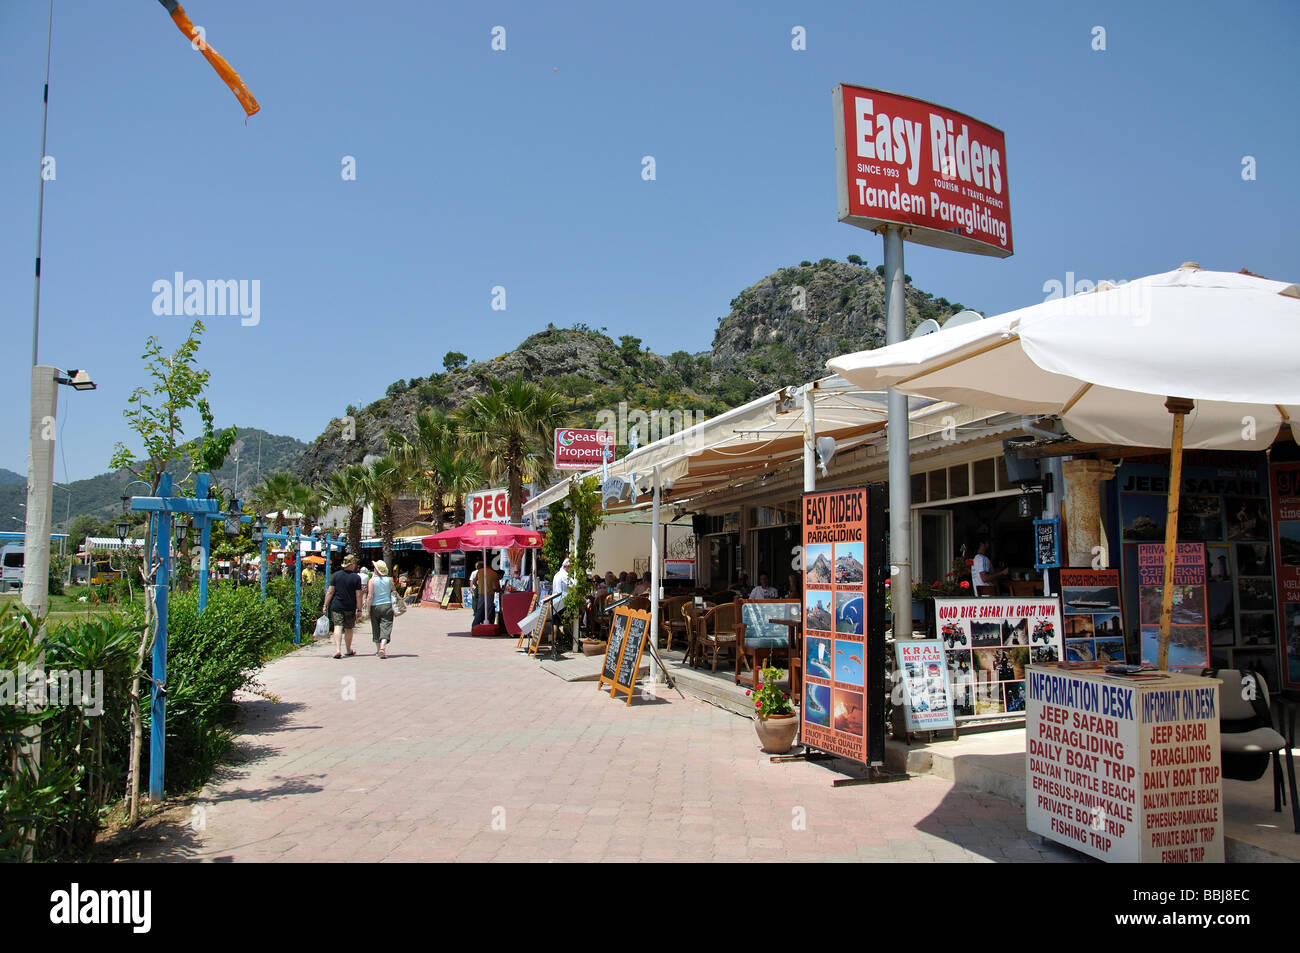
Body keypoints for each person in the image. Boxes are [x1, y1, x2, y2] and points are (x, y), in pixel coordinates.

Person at [323, 554, 364, 659]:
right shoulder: (356, 578)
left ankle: (338, 650)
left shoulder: (336, 575)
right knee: (348, 628)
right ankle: (348, 649)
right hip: (350, 606)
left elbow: (330, 592)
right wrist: (359, 609)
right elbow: (358, 594)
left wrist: (325, 605)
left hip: (337, 605)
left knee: (337, 626)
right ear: (351, 565)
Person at [366, 559, 396, 659]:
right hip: (387, 605)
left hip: (375, 606)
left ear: (376, 570)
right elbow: (394, 592)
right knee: (386, 626)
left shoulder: (372, 581)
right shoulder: (389, 580)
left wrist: (367, 610)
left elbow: (370, 596)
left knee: (376, 627)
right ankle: (383, 647)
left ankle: (379, 650)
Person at [471, 559, 500, 626]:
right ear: (491, 566)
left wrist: (479, 587)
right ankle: (488, 623)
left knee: (479, 609)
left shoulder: (480, 571)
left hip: (481, 593)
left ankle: (475, 624)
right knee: (489, 609)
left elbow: (474, 582)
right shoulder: (494, 573)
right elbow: (496, 586)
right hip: (490, 593)